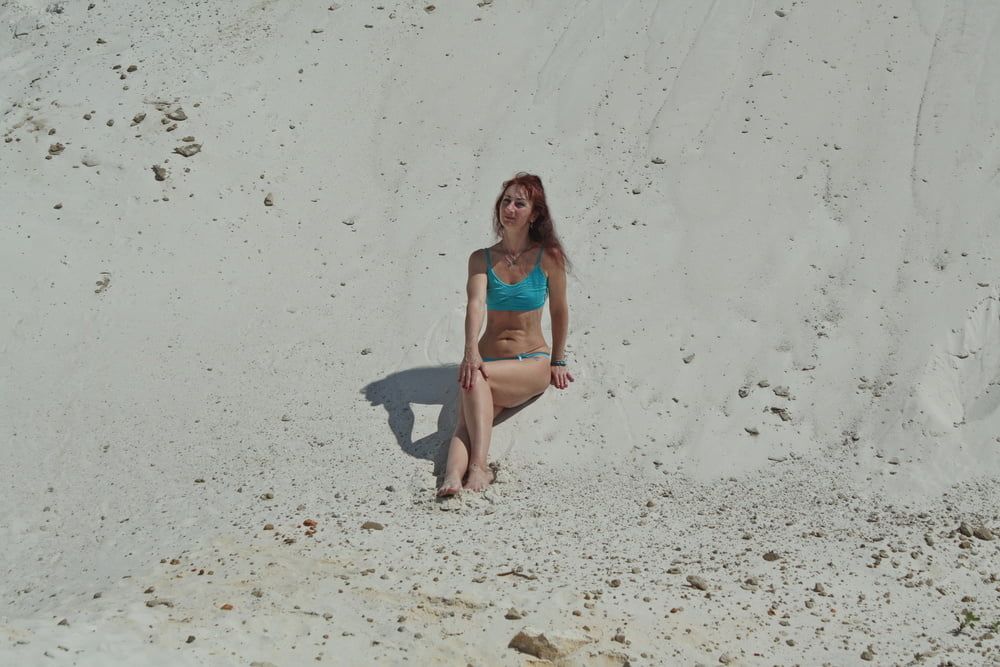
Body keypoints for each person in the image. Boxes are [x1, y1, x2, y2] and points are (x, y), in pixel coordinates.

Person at [437, 173, 574, 496]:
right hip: (488, 360)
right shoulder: (481, 259)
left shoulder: (549, 257)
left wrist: (559, 358)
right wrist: (471, 350)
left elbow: (559, 309)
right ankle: (451, 479)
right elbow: (475, 304)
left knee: (476, 383)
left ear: (535, 214)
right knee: (466, 422)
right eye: (505, 201)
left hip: (531, 363)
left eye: (519, 203)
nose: (509, 208)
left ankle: (479, 467)